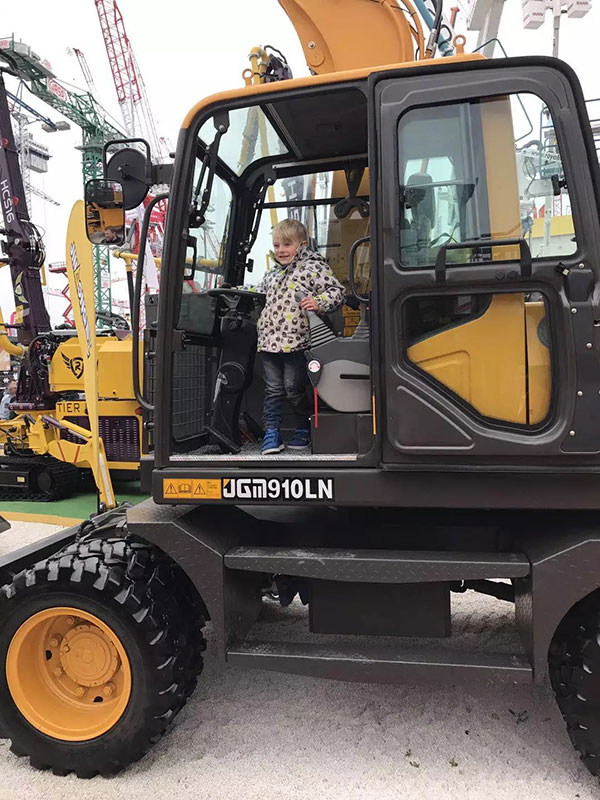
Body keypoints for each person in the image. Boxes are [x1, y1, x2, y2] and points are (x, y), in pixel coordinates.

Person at [251, 219, 345, 455]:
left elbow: (337, 292)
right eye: (277, 245)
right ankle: (271, 433)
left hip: (296, 342)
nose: (281, 250)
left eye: (287, 245)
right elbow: (260, 295)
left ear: (301, 245)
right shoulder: (272, 274)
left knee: (293, 388)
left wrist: (318, 302)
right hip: (269, 343)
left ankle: (304, 427)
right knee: (273, 389)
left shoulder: (313, 268)